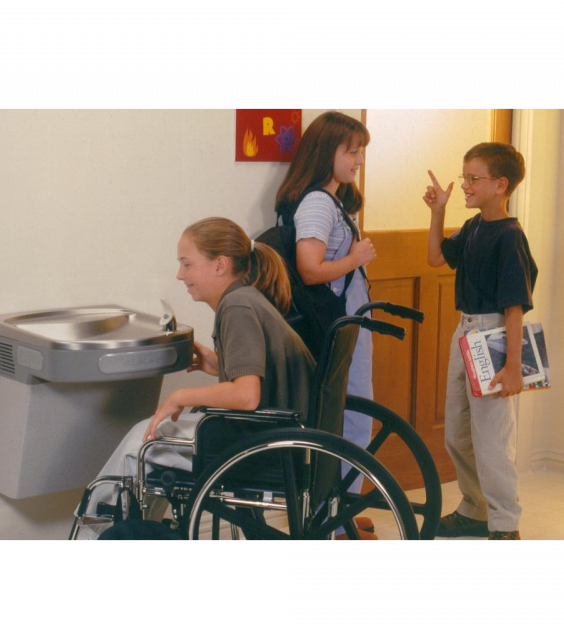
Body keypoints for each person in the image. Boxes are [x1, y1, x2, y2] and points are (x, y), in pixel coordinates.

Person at [82, 217, 316, 538]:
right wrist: (216, 364)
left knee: (141, 442)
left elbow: (247, 395)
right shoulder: (246, 298)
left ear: (219, 265)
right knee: (149, 436)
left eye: (187, 264)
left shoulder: (236, 306)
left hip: (260, 443)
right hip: (280, 431)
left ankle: (95, 530)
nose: (180, 275)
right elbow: (261, 379)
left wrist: (181, 396)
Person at [424, 142, 537, 542]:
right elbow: (436, 258)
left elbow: (514, 307)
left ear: (500, 185)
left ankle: (505, 524)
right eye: (465, 176)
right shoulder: (474, 227)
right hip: (465, 330)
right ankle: (475, 508)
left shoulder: (509, 237)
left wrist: (511, 365)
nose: (466, 185)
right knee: (457, 432)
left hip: (492, 334)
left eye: (474, 178)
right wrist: (438, 212)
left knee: (492, 439)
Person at [275, 112, 377, 536]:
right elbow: (310, 267)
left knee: (349, 411)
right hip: (341, 322)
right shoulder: (318, 202)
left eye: (360, 153)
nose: (357, 161)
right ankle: (338, 517)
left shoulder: (332, 200)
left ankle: (342, 510)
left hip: (346, 319)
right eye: (350, 152)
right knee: (351, 413)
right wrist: (356, 258)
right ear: (325, 152)